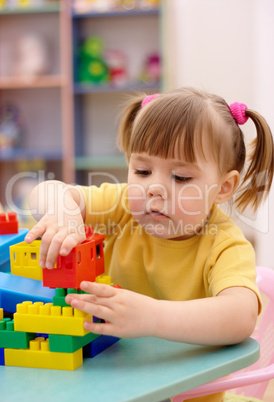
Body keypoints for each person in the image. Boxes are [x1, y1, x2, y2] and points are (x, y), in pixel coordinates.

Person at [25, 87, 274, 402]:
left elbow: (240, 316)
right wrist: (65, 213)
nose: (154, 188)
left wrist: (152, 317)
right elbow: (45, 191)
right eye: (142, 171)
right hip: (105, 388)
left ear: (223, 187)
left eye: (181, 178)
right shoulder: (123, 207)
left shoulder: (223, 245)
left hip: (186, 396)